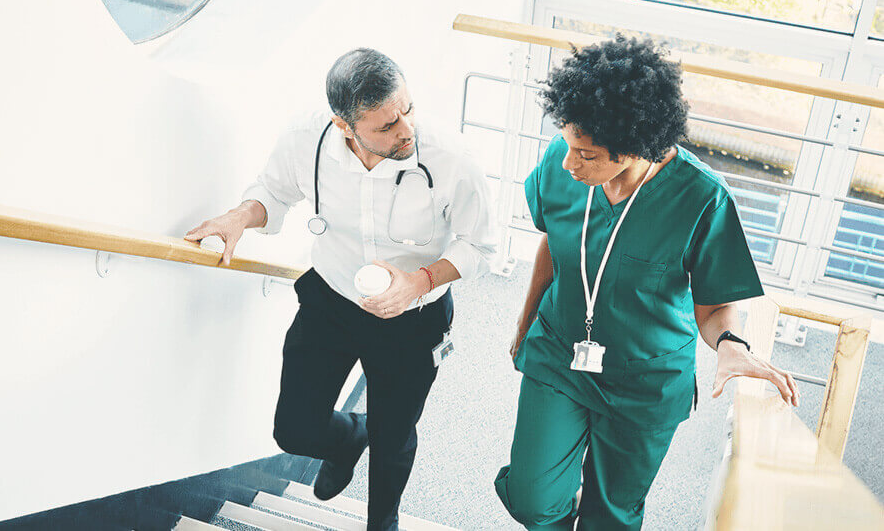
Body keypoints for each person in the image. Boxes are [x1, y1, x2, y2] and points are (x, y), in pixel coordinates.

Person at [496, 35, 801, 530]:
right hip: (560, 354)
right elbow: (553, 245)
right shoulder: (563, 160)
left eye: (587, 154)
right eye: (569, 144)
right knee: (533, 500)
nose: (568, 163)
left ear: (637, 146)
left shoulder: (702, 198)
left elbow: (715, 302)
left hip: (645, 381)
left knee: (612, 516)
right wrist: (525, 323)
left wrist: (729, 344)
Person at [185, 48, 497, 531]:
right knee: (294, 429)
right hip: (331, 301)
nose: (406, 131)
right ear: (344, 125)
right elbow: (273, 192)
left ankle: (383, 522)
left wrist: (419, 280)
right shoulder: (306, 140)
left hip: (413, 316)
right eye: (386, 126)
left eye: (408, 110)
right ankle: (349, 437)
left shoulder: (452, 158)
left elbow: (483, 246)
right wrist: (238, 218)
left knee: (394, 436)